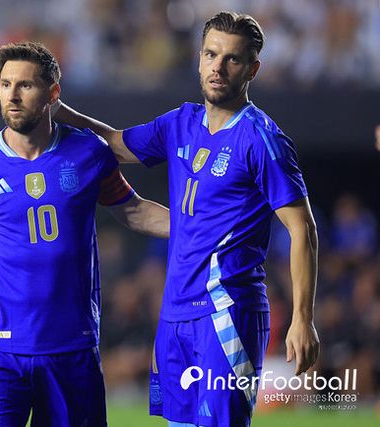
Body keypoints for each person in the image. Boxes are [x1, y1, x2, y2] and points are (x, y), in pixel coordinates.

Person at [54, 11, 320, 427]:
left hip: (226, 312)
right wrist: (58, 111)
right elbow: (116, 145)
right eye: (211, 54)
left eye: (232, 59)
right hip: (174, 314)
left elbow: (302, 228)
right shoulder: (180, 122)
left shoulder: (261, 138)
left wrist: (302, 318)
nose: (218, 67)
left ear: (252, 70)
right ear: (198, 59)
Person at [0, 41, 170, 427]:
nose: (12, 96)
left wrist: (202, 228)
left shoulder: (88, 153)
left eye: (25, 85)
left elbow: (132, 210)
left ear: (53, 94)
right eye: (5, 84)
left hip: (71, 345)